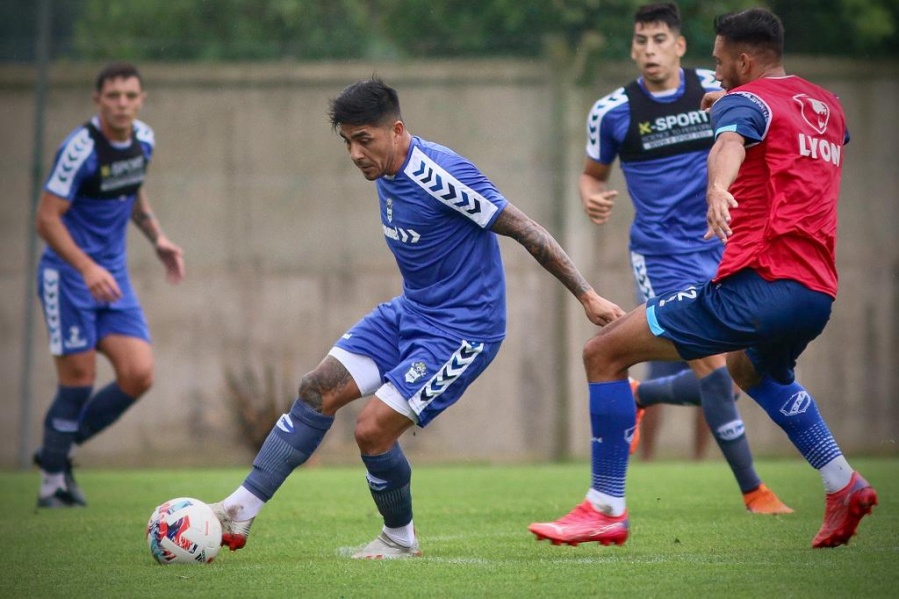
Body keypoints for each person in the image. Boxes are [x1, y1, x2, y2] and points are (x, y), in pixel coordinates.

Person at [209, 77, 624, 559]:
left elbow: (526, 230)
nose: (355, 154)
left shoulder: (442, 175)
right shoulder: (384, 170)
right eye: (347, 142)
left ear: (397, 130)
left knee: (371, 430)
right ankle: (239, 511)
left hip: (464, 331)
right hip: (411, 312)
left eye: (364, 140)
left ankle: (399, 540)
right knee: (316, 390)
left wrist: (588, 296)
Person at [530, 7, 878, 549]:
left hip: (757, 284)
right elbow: (773, 133)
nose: (714, 73)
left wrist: (718, 186)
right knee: (754, 374)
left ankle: (604, 507)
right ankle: (843, 484)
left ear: (744, 58)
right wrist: (728, 108)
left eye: (719, 64)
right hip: (816, 291)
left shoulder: (742, 102)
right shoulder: (827, 106)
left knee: (603, 352)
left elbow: (731, 142)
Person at [579, 2, 789, 513]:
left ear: (678, 45)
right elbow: (593, 173)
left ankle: (640, 394)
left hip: (723, 247)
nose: (648, 50)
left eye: (658, 40)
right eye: (640, 41)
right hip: (661, 257)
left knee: (741, 372)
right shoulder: (613, 111)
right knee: (714, 367)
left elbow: (753, 130)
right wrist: (590, 192)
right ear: (632, 49)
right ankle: (754, 491)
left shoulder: (712, 91)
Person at [34, 62, 185, 508]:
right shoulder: (79, 149)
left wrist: (156, 237)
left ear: (141, 100)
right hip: (68, 277)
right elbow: (46, 218)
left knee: (139, 374)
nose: (122, 103)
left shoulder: (144, 140)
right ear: (98, 99)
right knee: (79, 382)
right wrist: (85, 268)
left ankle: (57, 452)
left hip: (112, 277)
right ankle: (52, 487)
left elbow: (133, 191)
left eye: (130, 95)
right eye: (113, 95)